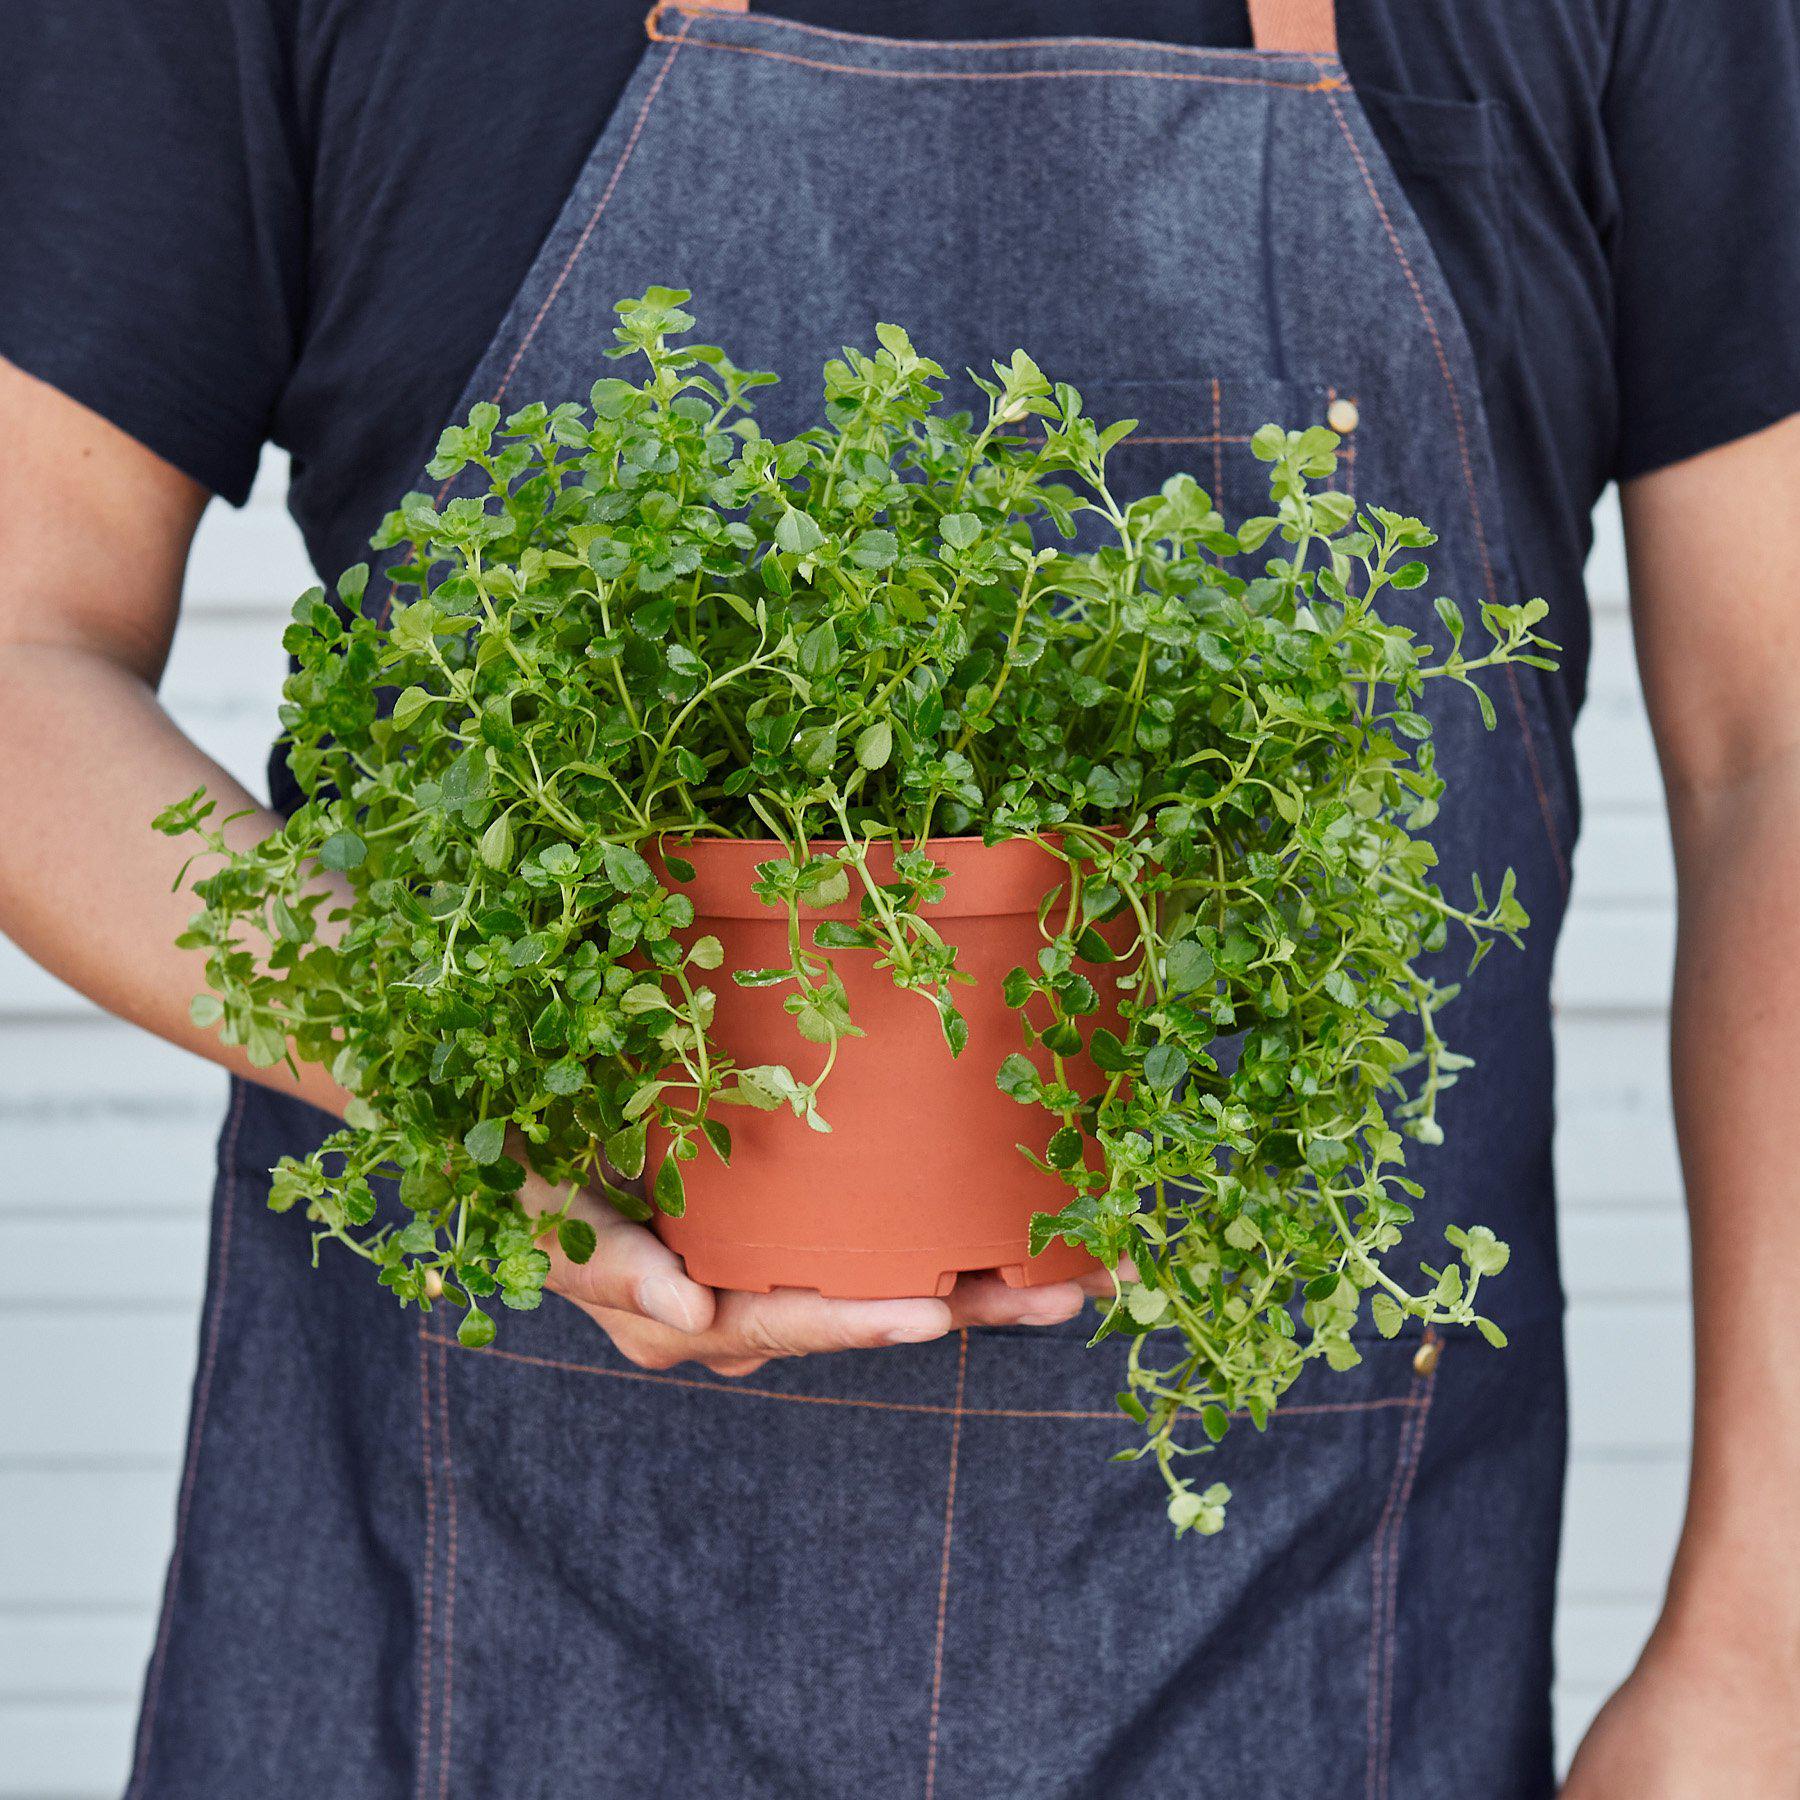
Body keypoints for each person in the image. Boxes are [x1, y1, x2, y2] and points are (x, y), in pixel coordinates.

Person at [2, 0, 1797, 1793]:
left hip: (1313, 1635)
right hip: (455, 1648)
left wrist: (1760, 1656)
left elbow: (1771, 744)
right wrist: (448, 1061)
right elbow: (25, 643)